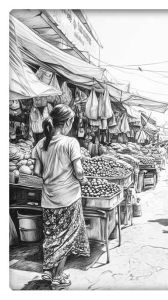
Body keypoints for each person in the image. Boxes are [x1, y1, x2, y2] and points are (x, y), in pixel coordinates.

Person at [32, 104, 90, 288]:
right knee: (65, 237)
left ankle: (48, 273)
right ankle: (58, 277)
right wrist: (84, 180)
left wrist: (52, 177)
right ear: (68, 122)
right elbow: (79, 172)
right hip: (69, 198)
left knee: (52, 236)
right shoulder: (71, 142)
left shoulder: (41, 143)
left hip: (48, 198)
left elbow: (36, 171)